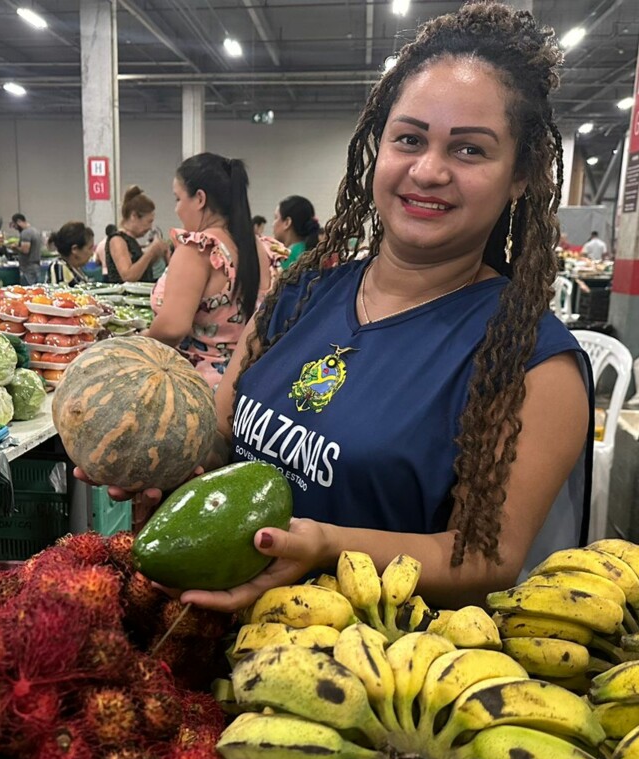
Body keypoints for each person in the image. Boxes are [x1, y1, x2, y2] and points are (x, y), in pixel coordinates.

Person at [86, 2, 591, 613]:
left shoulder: (532, 360)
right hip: (215, 643)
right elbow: (221, 441)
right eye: (409, 139)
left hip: (365, 677)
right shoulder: (301, 293)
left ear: (520, 176)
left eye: (469, 151)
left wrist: (326, 546)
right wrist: (154, 460)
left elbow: (486, 559)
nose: (428, 170)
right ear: (378, 150)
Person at [148, 153, 285, 390]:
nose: (177, 209)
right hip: (254, 384)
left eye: (178, 198)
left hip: (199, 392)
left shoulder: (200, 249)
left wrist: (132, 347)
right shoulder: (263, 249)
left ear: (199, 198)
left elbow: (173, 327)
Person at [105, 186, 168, 283]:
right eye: (148, 222)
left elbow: (140, 270)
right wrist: (150, 252)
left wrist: (156, 254)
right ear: (133, 216)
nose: (150, 227)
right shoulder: (117, 240)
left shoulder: (131, 240)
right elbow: (128, 276)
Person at [273, 195, 319, 270]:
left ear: (287, 223)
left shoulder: (287, 257)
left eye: (276, 218)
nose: (273, 224)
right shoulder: (312, 252)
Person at [45, 222, 95, 286]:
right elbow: (59, 294)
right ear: (75, 249)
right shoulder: (58, 267)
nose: (92, 253)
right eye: (90, 248)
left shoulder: (75, 269)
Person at [10, 213, 43, 285]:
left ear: (19, 221)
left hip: (28, 268)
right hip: (36, 266)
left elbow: (25, 250)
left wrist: (15, 247)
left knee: (28, 292)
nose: (15, 228)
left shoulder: (25, 233)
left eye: (15, 225)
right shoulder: (35, 231)